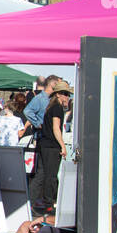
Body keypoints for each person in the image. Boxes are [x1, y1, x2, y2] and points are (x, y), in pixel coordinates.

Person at [32, 79, 71, 212]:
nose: (67, 97)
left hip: (44, 144)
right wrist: (63, 146)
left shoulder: (51, 107)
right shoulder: (57, 108)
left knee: (42, 174)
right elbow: (56, 128)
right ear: (58, 94)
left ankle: (32, 201)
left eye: (68, 94)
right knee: (51, 175)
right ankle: (48, 203)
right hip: (52, 145)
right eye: (65, 93)